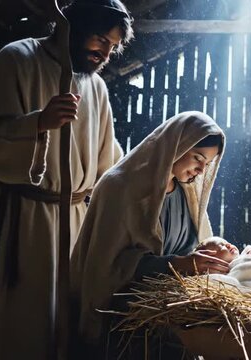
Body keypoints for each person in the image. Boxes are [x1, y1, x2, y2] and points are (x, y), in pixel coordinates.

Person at [0, 0, 132, 358]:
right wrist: (37, 124)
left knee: (65, 327)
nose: (105, 52)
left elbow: (110, 163)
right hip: (20, 221)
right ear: (74, 26)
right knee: (20, 325)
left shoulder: (96, 88)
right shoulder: (17, 60)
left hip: (73, 224)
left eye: (113, 46)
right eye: (101, 39)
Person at [70, 111, 227, 358]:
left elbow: (195, 244)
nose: (200, 169)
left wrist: (213, 253)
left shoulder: (188, 194)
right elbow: (105, 267)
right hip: (128, 318)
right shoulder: (119, 188)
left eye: (206, 164)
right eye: (197, 158)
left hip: (174, 307)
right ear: (177, 145)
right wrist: (176, 265)